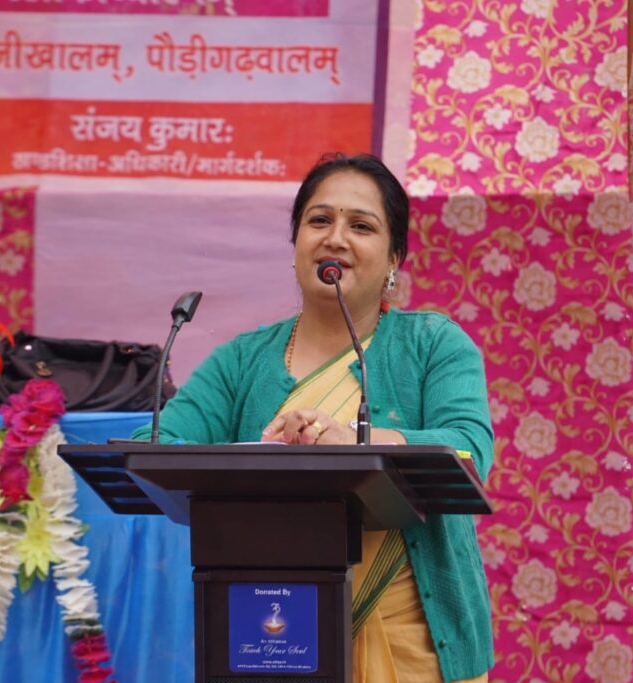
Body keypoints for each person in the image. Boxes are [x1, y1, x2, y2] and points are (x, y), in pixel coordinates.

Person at [132, 153, 494, 682]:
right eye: (319, 220)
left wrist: (355, 441)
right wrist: (262, 454)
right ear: (296, 244)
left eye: (361, 226)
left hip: (415, 651)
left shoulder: (433, 345)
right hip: (273, 639)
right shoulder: (242, 361)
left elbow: (468, 446)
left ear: (393, 259)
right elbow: (156, 443)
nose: (335, 238)